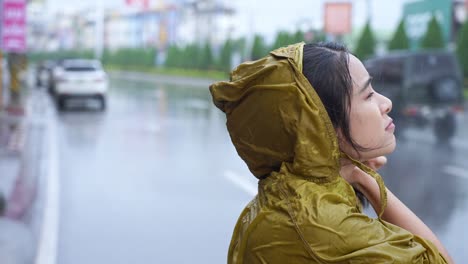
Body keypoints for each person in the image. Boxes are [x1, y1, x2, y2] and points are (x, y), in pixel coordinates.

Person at [209, 42, 454, 263]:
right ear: (320, 124)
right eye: (368, 95)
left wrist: (358, 174)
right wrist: (369, 182)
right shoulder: (318, 223)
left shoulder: (297, 193)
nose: (386, 102)